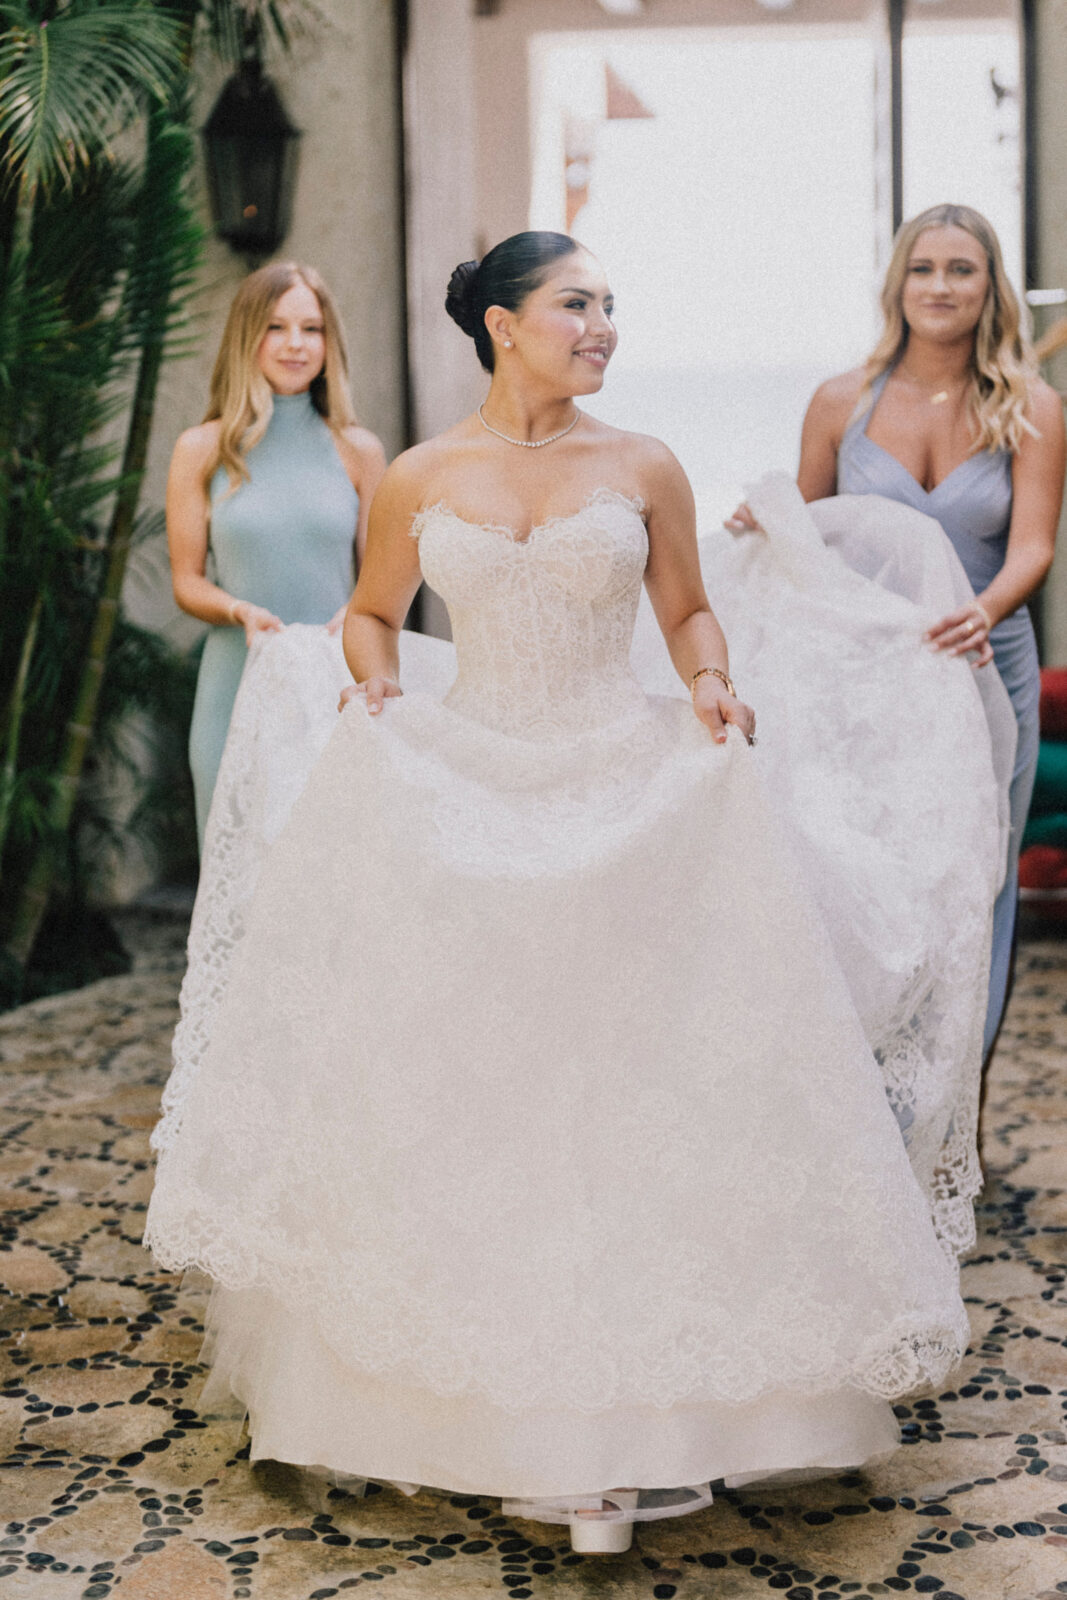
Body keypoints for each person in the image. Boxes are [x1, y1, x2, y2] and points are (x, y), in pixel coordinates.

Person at [146, 232, 971, 1556]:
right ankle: (466, 1407)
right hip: (467, 783)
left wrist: (706, 680)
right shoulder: (418, 473)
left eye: (606, 307)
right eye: (575, 305)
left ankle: (653, 1411)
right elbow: (373, 613)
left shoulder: (641, 464)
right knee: (478, 1086)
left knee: (638, 1083)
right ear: (500, 324)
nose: (599, 326)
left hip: (624, 784)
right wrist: (371, 681)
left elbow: (690, 613)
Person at [732, 203, 1066, 1058]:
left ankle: (962, 1116)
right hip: (864, 677)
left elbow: (1032, 546)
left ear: (989, 286)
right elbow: (810, 529)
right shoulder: (839, 401)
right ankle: (876, 1114)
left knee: (975, 886)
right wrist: (764, 522)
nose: (940, 286)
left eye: (961, 269)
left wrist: (981, 612)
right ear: (897, 284)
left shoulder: (1030, 405)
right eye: (923, 268)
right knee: (867, 881)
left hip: (986, 664)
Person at [166, 261, 387, 846]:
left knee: (329, 871)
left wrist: (357, 615)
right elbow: (186, 582)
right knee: (237, 873)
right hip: (234, 687)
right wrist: (239, 610)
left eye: (311, 329)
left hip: (332, 689)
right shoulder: (202, 449)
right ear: (247, 337)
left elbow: (385, 582)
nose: (295, 344)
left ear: (327, 342)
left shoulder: (360, 450)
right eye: (276, 327)